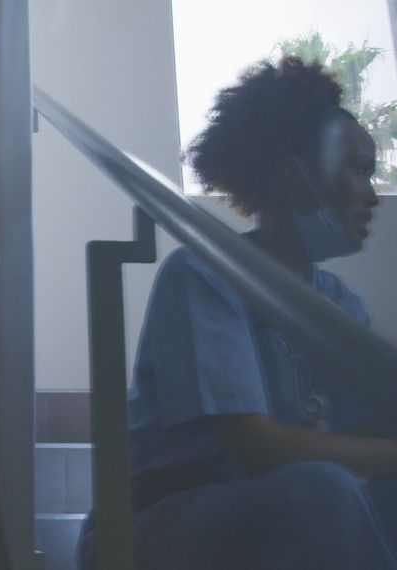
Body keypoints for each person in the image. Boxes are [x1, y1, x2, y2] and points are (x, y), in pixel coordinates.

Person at [78, 56, 395, 569]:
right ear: (295, 175)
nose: (372, 196)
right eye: (358, 169)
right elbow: (259, 450)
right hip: (148, 529)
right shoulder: (201, 274)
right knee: (322, 490)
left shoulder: (338, 303)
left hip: (269, 518)